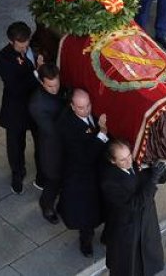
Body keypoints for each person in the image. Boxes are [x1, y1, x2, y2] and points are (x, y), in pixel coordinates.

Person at [101, 140, 166, 276]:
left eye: (129, 156)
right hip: (129, 229)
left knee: (148, 258)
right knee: (128, 267)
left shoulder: (135, 163)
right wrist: (153, 179)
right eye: (123, 160)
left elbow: (159, 178)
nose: (128, 162)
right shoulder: (109, 182)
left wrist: (159, 167)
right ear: (113, 161)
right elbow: (135, 205)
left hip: (147, 223)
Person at [57, 88, 109, 257]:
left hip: (97, 172)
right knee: (87, 215)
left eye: (88, 105)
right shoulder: (67, 126)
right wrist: (102, 134)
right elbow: (85, 157)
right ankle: (86, 241)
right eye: (81, 107)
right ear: (72, 106)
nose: (86, 110)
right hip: (81, 177)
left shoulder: (90, 115)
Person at [0, 22, 42, 194]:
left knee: (41, 142)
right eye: (21, 45)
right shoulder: (2, 59)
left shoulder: (34, 48)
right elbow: (15, 86)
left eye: (26, 43)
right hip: (16, 108)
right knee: (15, 145)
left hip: (37, 107)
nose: (25, 47)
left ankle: (42, 174)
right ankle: (18, 173)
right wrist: (37, 73)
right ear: (11, 42)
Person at [29, 63, 65, 224]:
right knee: (53, 180)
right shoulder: (37, 104)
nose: (55, 89)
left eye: (56, 84)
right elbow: (52, 131)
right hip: (51, 148)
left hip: (64, 144)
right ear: (42, 83)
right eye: (50, 86)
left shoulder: (61, 90)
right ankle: (47, 205)